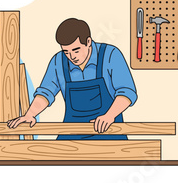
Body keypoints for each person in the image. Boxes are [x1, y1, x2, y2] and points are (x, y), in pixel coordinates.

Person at [7, 18, 137, 139]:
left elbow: (127, 93)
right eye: (66, 51)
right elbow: (46, 92)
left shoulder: (110, 55)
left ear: (88, 42)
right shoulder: (58, 61)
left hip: (108, 131)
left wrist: (109, 116)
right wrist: (30, 114)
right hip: (72, 131)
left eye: (76, 50)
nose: (72, 57)